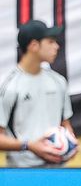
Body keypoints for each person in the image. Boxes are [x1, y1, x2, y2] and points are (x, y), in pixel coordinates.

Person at [0, 20, 73, 167]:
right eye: (51, 42)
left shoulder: (59, 81)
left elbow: (65, 124)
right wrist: (30, 146)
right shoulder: (8, 86)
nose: (57, 47)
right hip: (22, 173)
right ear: (34, 46)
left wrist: (70, 144)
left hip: (58, 170)